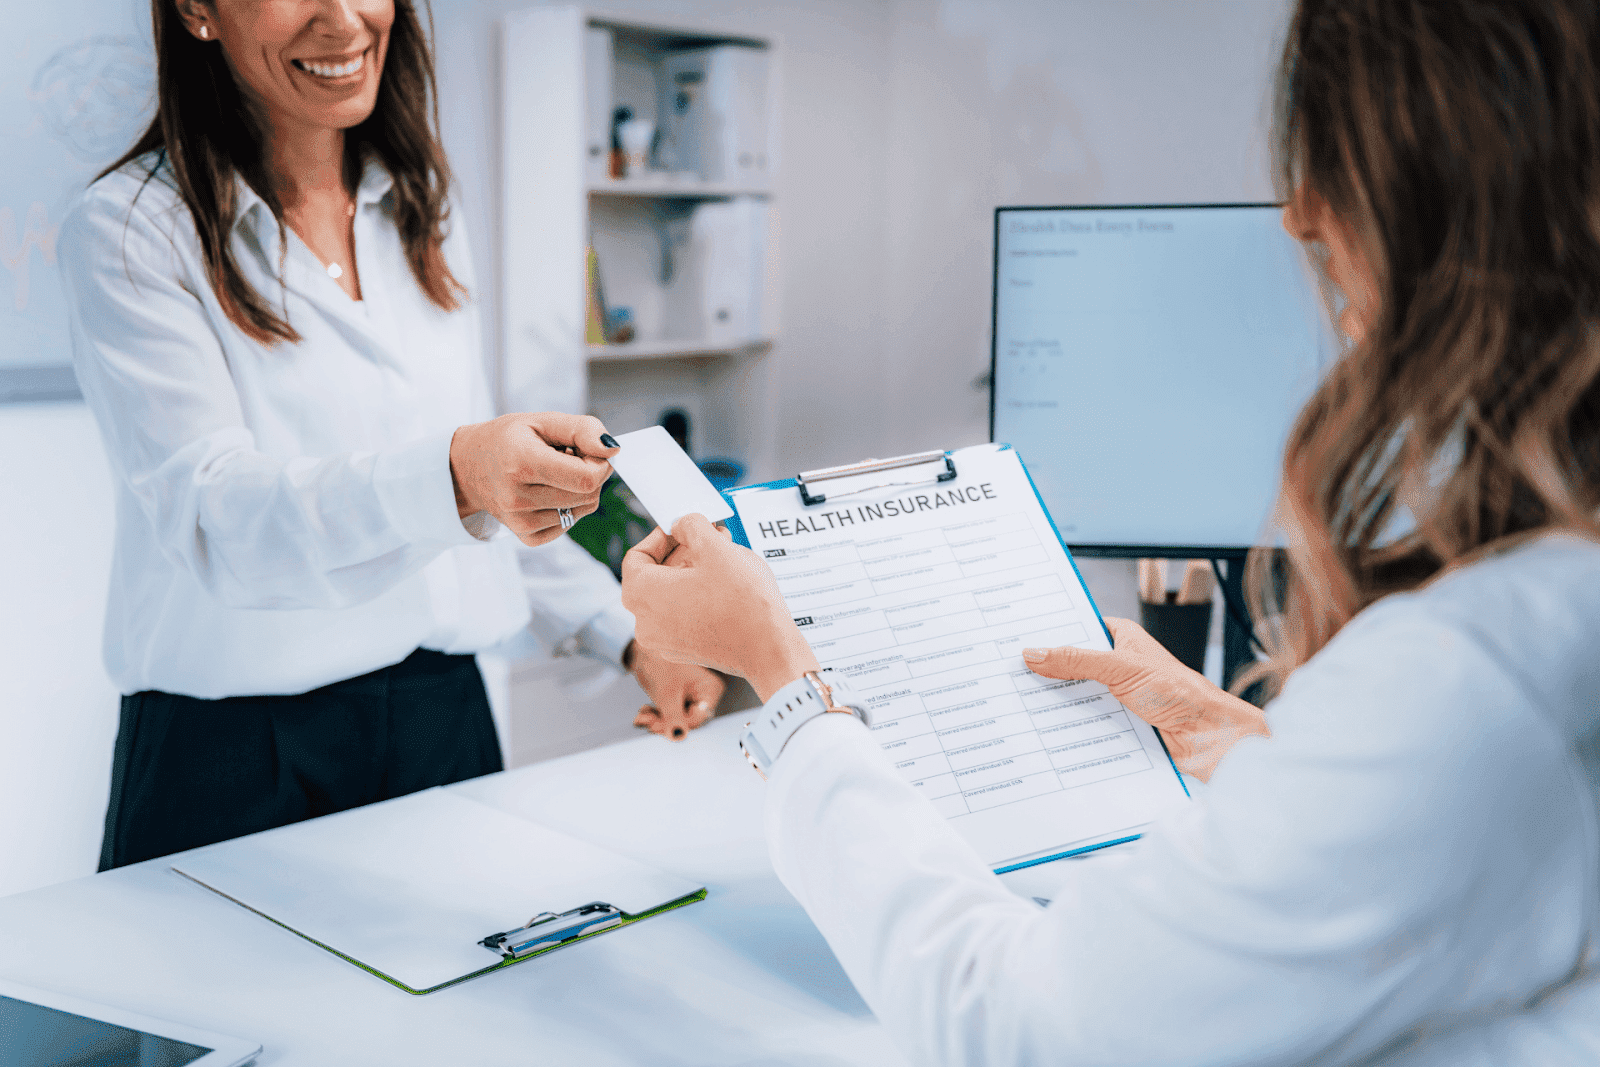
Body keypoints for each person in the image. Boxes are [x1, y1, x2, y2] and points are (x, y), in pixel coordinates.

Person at [620, 0, 1600, 1062]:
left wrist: (792, 690)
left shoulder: (1478, 666)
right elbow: (1455, 842)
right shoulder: (1544, 612)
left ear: (1463, 196)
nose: (1300, 218)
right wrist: (1240, 737)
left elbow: (1023, 1022)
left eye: (1343, 162)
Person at [59, 0, 724, 872]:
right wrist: (456, 474)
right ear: (196, 10)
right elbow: (217, 514)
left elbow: (491, 510)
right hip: (233, 752)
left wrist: (626, 634)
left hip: (440, 722)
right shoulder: (131, 230)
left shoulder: (421, 206)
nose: (343, 19)